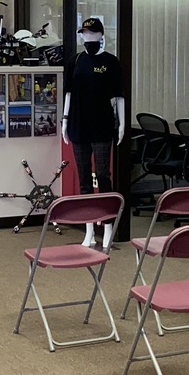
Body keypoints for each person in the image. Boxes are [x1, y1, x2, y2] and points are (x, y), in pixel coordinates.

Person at [62, 16, 124, 249]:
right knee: (84, 179)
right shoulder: (75, 61)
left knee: (103, 176)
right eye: (85, 34)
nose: (87, 37)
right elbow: (68, 93)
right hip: (78, 124)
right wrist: (65, 120)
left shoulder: (111, 62)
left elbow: (119, 96)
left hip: (102, 125)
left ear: (100, 35)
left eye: (91, 34)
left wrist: (122, 125)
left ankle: (107, 226)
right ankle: (89, 229)